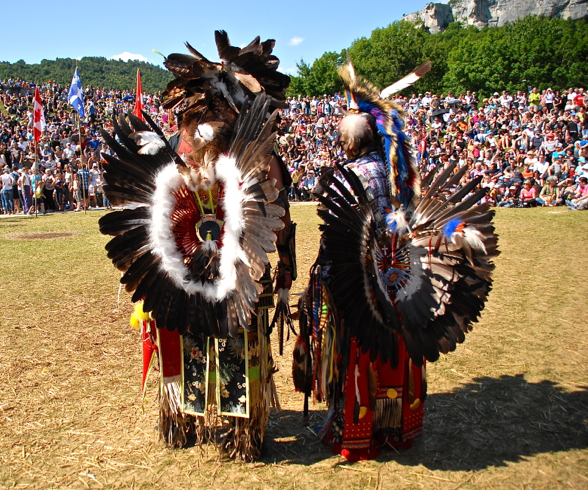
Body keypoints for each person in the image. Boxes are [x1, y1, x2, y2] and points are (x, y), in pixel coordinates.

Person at [98, 31, 295, 462]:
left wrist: (280, 277)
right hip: (207, 271)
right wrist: (282, 275)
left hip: (219, 272)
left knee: (223, 344)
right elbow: (282, 226)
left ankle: (200, 425)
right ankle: (218, 428)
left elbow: (281, 223)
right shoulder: (247, 154)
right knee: (204, 341)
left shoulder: (207, 150)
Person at [295, 59, 498, 462]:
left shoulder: (347, 175)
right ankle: (399, 426)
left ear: (351, 142)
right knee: (398, 347)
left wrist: (320, 282)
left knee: (359, 350)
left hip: (358, 280)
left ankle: (357, 432)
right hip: (397, 277)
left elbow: (334, 238)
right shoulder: (394, 173)